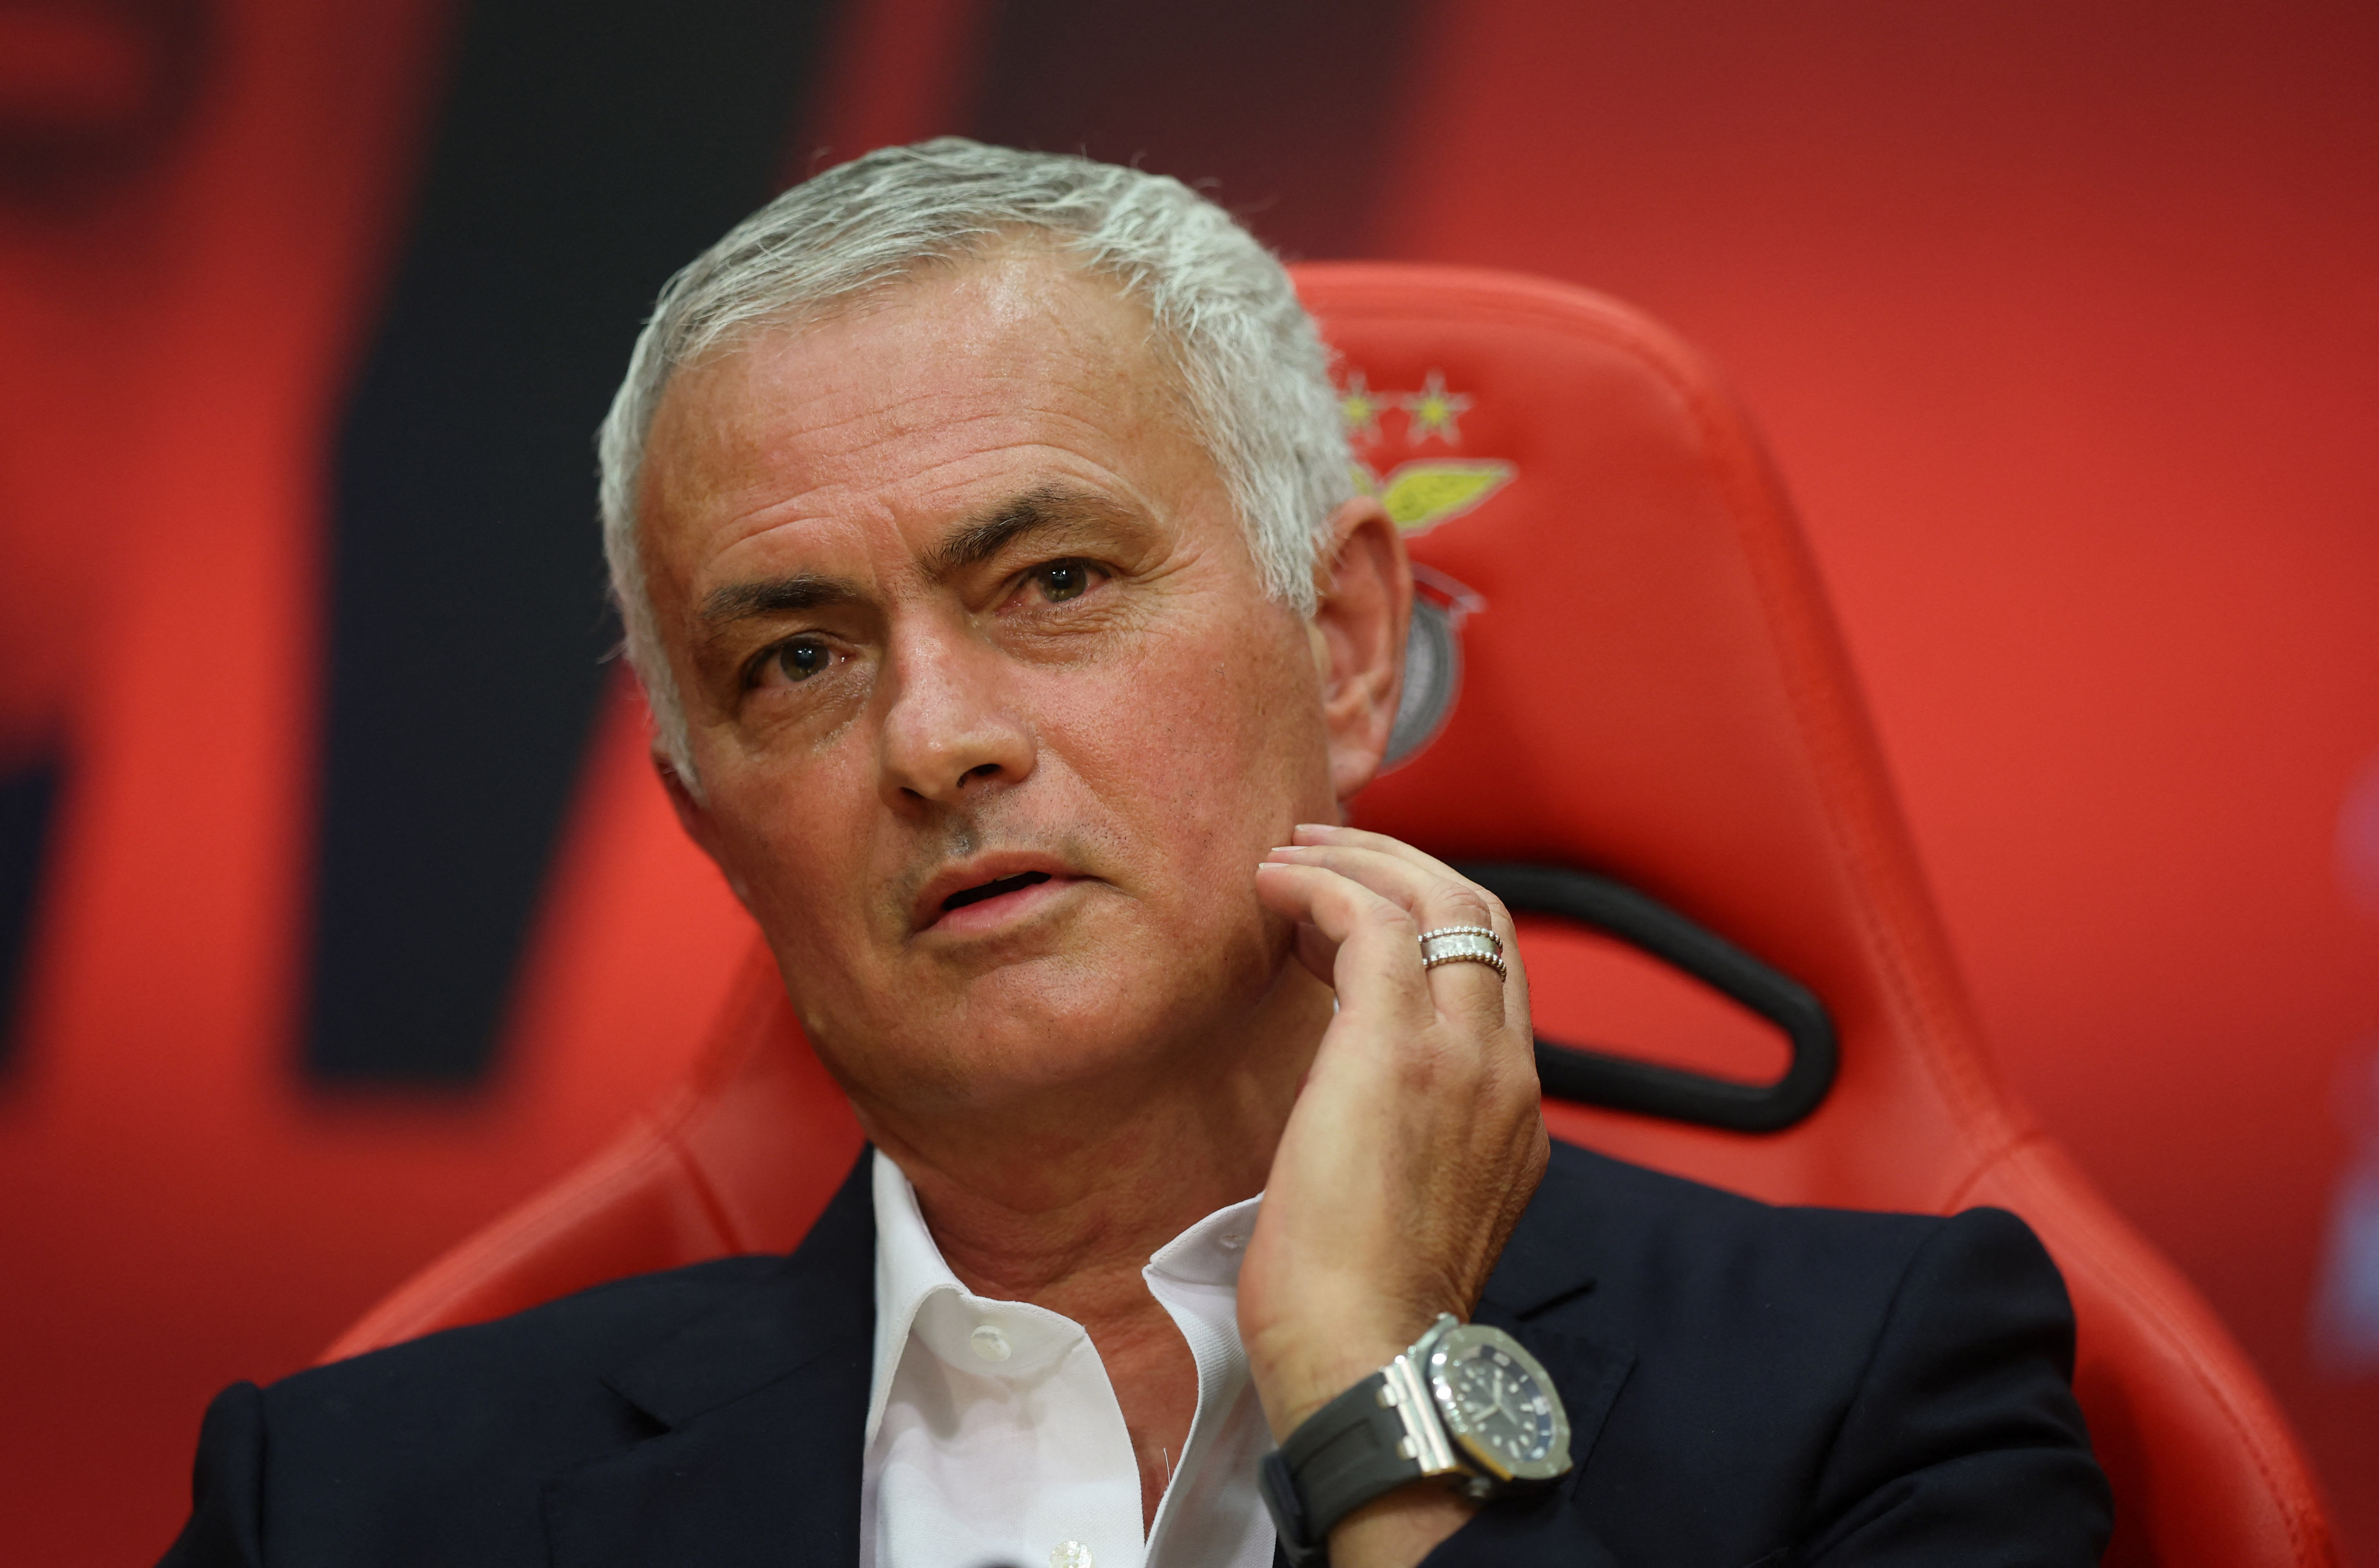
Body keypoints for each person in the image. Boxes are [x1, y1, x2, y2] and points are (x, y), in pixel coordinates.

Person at [160, 139, 2110, 1568]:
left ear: (1346, 645)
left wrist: (1385, 1387)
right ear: (709, 826)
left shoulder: (1881, 1402)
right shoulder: (346, 1508)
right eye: (799, 661)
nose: (936, 739)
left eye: (1057, 580)